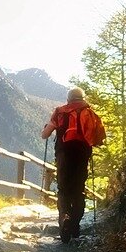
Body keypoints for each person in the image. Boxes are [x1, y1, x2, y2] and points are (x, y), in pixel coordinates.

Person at [41, 87, 106, 243]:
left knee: (63, 190)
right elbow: (99, 139)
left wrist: (47, 128)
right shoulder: (90, 113)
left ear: (69, 98)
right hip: (82, 155)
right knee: (78, 191)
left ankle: (65, 219)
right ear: (82, 98)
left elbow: (45, 135)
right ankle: (75, 224)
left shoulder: (60, 111)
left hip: (63, 155)